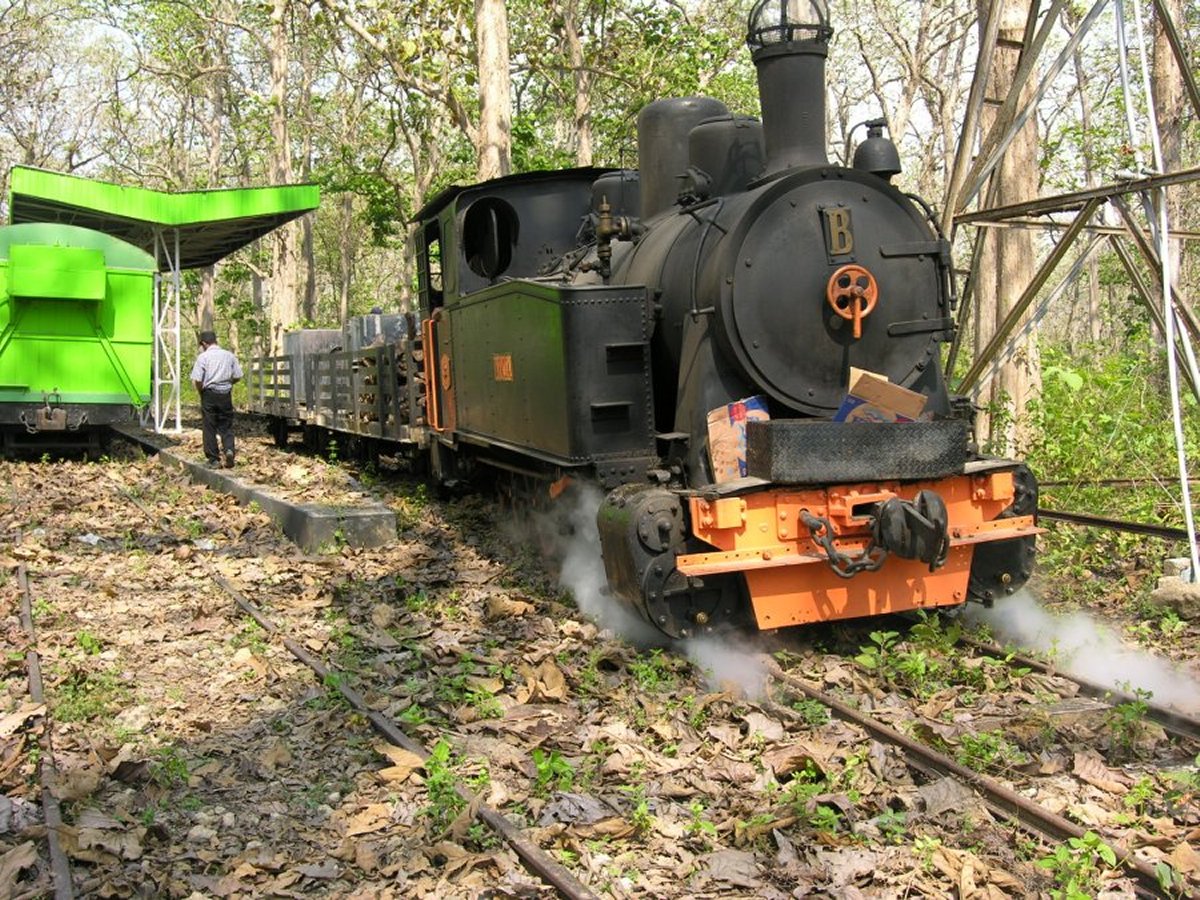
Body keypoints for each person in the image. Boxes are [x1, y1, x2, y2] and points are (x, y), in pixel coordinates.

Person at [190, 330, 243, 468]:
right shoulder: (229, 356)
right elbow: (238, 375)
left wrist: (201, 391)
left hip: (209, 394)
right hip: (225, 394)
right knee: (226, 425)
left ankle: (214, 459)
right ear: (215, 341)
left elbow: (197, 379)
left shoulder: (203, 357)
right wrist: (228, 383)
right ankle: (229, 450)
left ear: (203, 343)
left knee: (209, 426)